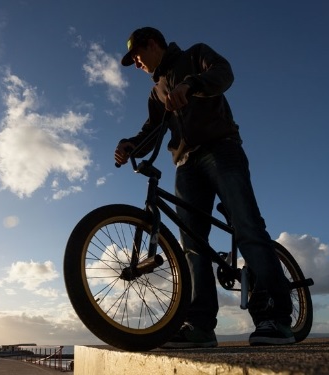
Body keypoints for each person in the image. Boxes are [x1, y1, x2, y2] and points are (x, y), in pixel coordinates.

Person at [115, 27, 295, 348]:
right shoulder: (155, 91)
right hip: (185, 164)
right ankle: (199, 326)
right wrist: (131, 145)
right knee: (193, 245)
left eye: (137, 57)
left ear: (152, 44)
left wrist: (191, 83)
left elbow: (223, 73)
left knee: (247, 228)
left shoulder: (195, 54)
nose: (138, 65)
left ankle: (275, 317)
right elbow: (152, 128)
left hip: (220, 148)